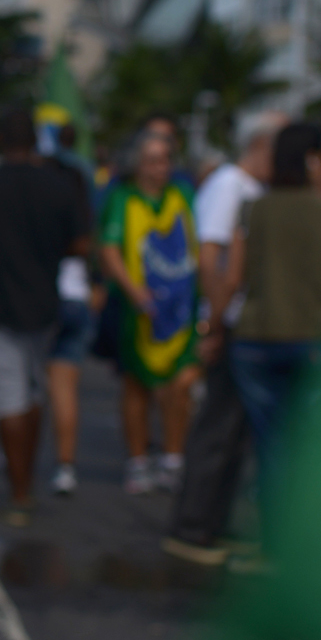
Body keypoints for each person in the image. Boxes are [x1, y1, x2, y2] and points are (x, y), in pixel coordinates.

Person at [0, 108, 88, 525]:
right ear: (35, 141)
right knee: (30, 394)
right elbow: (81, 243)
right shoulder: (57, 186)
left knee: (8, 398)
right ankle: (24, 476)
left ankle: (19, 491)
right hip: (44, 305)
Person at [163, 111, 287, 565]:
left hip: (237, 320)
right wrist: (214, 323)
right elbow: (211, 256)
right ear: (261, 147)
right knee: (216, 428)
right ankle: (192, 526)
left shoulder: (249, 189)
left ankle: (210, 523)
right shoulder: (230, 186)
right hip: (228, 320)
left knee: (233, 432)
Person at [225, 121, 321, 545]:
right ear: (313, 160)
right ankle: (306, 537)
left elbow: (234, 277)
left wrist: (210, 325)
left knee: (270, 447)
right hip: (315, 337)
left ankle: (274, 539)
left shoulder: (253, 209)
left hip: (257, 337)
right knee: (311, 443)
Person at [99, 130, 200, 495]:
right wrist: (134, 291)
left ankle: (174, 457)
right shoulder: (122, 199)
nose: (161, 168)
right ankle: (138, 459)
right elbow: (110, 249)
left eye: (165, 160)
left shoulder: (182, 195)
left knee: (181, 384)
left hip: (181, 309)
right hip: (137, 315)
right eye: (153, 160)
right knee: (136, 385)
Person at [45, 123, 98, 496]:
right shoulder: (84, 178)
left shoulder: (43, 189)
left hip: (40, 299)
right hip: (78, 295)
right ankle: (66, 468)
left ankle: (15, 460)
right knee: (66, 390)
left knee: (29, 388)